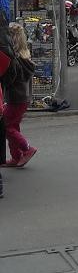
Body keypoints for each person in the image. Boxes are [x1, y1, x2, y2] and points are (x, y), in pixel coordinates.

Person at [2, 23, 37, 167]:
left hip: (16, 97)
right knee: (13, 126)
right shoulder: (25, 55)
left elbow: (10, 79)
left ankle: (27, 149)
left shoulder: (14, 58)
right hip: (24, 97)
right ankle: (16, 157)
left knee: (5, 126)